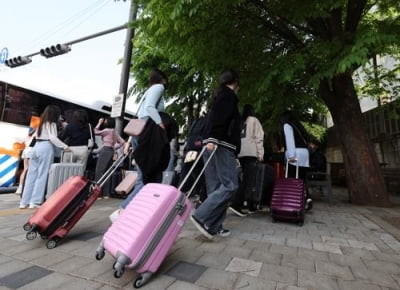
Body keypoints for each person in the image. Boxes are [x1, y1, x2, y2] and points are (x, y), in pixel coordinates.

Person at [190, 69, 241, 239]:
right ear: (236, 83)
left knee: (215, 186)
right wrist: (213, 138)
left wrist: (210, 139)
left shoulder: (218, 96)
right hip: (220, 144)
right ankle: (201, 215)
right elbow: (219, 119)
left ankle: (213, 225)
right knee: (230, 185)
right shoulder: (229, 96)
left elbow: (213, 118)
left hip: (211, 143)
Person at [120, 68, 169, 210]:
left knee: (145, 175)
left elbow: (140, 115)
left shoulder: (148, 91)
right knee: (147, 176)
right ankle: (125, 208)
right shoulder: (159, 87)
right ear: (162, 78)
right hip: (149, 132)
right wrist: (160, 124)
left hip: (139, 132)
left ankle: (140, 208)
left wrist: (129, 141)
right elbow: (149, 108)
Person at [19, 105, 70, 209]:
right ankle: (35, 202)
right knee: (42, 175)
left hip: (35, 147)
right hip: (46, 147)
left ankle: (24, 202)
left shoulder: (41, 123)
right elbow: (53, 138)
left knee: (31, 175)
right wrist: (65, 146)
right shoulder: (51, 123)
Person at [229, 104, 264, 216]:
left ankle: (249, 206)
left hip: (241, 153)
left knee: (246, 179)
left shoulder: (241, 121)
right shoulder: (254, 120)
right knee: (249, 180)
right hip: (251, 153)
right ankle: (236, 204)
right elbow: (259, 137)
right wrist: (260, 153)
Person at [280, 110, 312, 210]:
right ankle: (307, 198)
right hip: (304, 154)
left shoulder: (287, 125)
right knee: (302, 179)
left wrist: (291, 156)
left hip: (296, 154)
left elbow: (290, 141)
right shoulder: (297, 125)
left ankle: (292, 202)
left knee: (292, 179)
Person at [94, 117, 125, 199]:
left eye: (106, 121)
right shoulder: (114, 131)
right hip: (111, 151)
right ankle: (106, 193)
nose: (105, 121)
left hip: (105, 150)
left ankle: (98, 193)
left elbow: (95, 132)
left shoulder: (107, 130)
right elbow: (122, 142)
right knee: (107, 172)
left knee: (99, 171)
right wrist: (114, 147)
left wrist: (99, 122)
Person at [15, 127, 36, 195]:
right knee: (29, 170)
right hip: (31, 151)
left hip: (25, 151)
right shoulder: (34, 137)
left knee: (25, 169)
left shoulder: (27, 137)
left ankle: (20, 188)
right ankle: (25, 188)